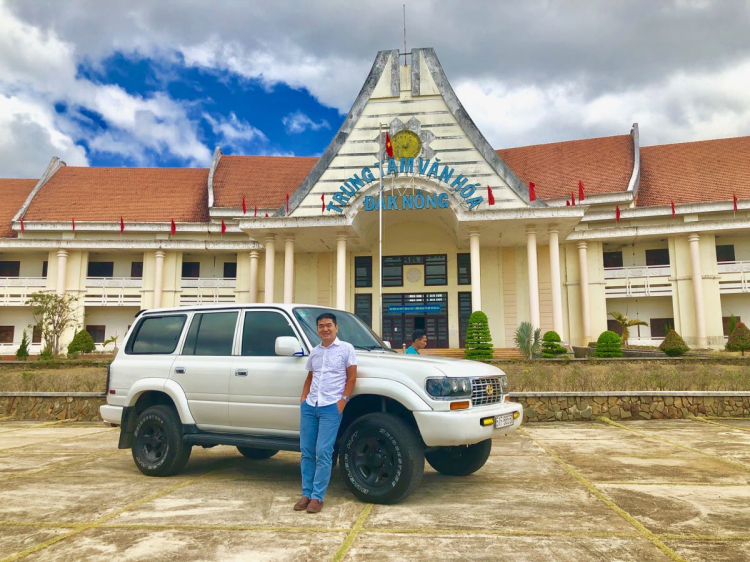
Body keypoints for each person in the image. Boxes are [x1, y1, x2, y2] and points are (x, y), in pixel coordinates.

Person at [294, 312, 357, 514]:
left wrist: (343, 401)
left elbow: (352, 378)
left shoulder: (346, 349)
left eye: (328, 325)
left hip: (331, 406)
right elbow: (310, 377)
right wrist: (303, 400)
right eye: (321, 326)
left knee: (323, 451)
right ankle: (306, 494)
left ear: (336, 327)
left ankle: (317, 497)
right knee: (307, 452)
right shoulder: (315, 351)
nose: (325, 329)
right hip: (311, 406)